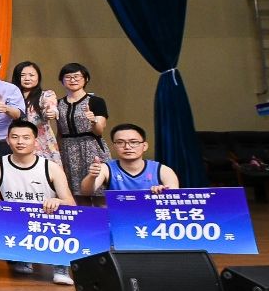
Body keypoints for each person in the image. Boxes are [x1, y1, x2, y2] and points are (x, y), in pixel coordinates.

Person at [0, 119, 79, 284]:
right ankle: (23, 259)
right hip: (17, 222)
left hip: (46, 223)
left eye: (26, 137)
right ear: (7, 140)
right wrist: (0, 208)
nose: (20, 142)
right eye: (15, 137)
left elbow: (70, 203)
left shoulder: (51, 168)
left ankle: (60, 267)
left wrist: (57, 201)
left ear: (35, 141)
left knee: (65, 229)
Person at [56, 63, 110, 200]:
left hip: (91, 146)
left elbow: (99, 131)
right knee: (74, 192)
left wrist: (93, 121)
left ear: (86, 79)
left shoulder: (96, 101)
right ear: (62, 80)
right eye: (68, 77)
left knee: (98, 190)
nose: (73, 80)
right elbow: (59, 132)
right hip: (67, 148)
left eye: (77, 76)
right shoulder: (58, 103)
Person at [80, 123, 181, 196]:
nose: (127, 147)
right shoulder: (106, 168)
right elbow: (86, 192)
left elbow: (175, 197)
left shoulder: (163, 170)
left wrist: (164, 192)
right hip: (120, 216)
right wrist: (92, 176)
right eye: (120, 142)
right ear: (114, 146)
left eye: (134, 142)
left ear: (144, 146)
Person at [12, 60, 61, 162]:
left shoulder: (46, 95)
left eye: (31, 75)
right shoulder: (11, 96)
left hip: (41, 144)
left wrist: (51, 113)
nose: (27, 78)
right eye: (22, 75)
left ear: (38, 77)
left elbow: (51, 107)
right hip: (17, 144)